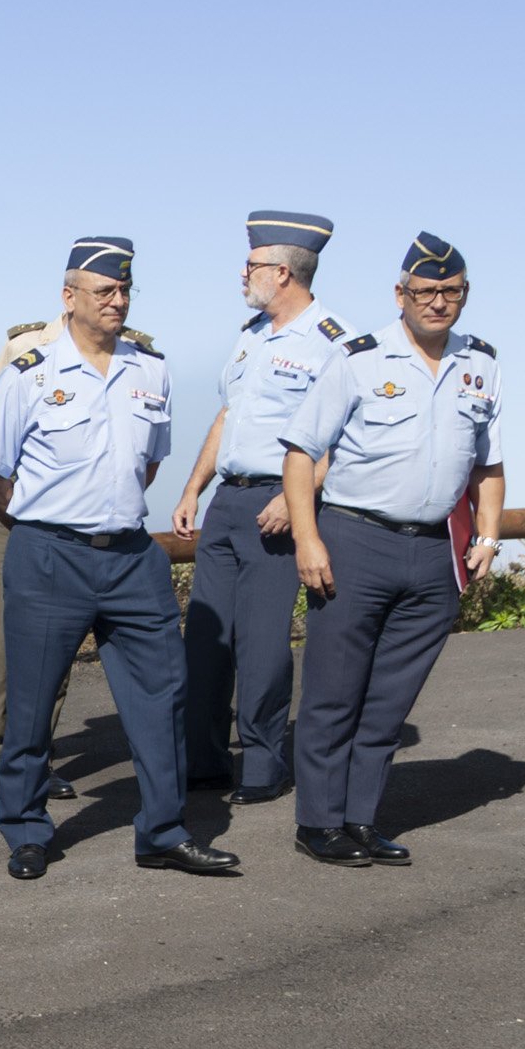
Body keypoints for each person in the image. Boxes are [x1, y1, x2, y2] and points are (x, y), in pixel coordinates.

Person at [0, 237, 240, 882]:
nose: (117, 301)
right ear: (69, 298)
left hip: (130, 556)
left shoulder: (151, 369)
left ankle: (164, 832)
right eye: (104, 291)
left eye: (124, 290)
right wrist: (45, 527)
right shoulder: (30, 373)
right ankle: (26, 830)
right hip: (49, 555)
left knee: (162, 697)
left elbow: (149, 463)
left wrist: (106, 512)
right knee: (32, 704)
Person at [281, 232, 503, 867]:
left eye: (450, 291)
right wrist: (308, 539)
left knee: (389, 700)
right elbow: (300, 455)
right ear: (400, 294)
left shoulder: (481, 364)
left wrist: (488, 534)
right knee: (334, 692)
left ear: (465, 295)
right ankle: (318, 822)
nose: (438, 302)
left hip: (434, 554)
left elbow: (488, 465)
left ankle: (360, 819)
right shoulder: (359, 358)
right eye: (425, 291)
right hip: (356, 541)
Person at [173, 211, 353, 804]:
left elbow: (344, 436)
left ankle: (262, 764)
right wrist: (193, 488)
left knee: (261, 646)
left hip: (278, 507)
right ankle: (203, 761)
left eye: (250, 265)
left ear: (282, 272)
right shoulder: (251, 334)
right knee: (207, 639)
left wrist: (296, 497)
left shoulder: (335, 343)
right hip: (227, 501)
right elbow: (228, 417)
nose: (241, 274)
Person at [0, 319, 86, 800]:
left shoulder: (115, 355)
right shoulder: (27, 345)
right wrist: (22, 513)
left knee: (53, 637)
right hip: (7, 511)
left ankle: (38, 752)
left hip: (65, 518)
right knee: (1, 634)